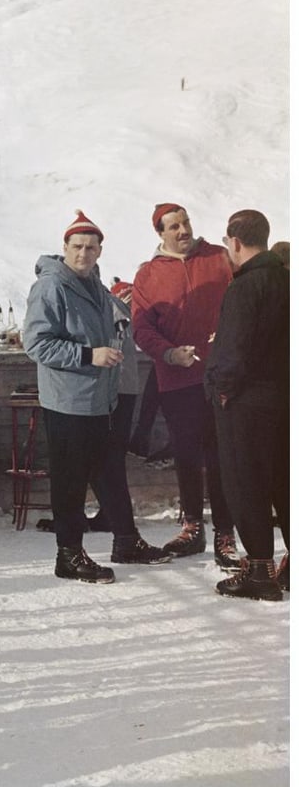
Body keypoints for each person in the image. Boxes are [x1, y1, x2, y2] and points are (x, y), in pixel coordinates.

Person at [23, 211, 143, 584]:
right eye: (77, 246)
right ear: (64, 248)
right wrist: (88, 355)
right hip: (67, 400)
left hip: (96, 399)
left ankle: (120, 541)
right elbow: (36, 343)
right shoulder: (51, 286)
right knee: (69, 478)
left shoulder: (94, 284)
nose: (84, 254)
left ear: (100, 251)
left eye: (91, 247)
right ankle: (68, 554)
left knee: (97, 471)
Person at [132, 203, 238, 566]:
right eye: (174, 226)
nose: (182, 230)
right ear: (160, 234)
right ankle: (193, 526)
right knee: (187, 455)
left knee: (221, 454)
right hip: (176, 379)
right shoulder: (148, 274)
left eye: (185, 222)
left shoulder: (220, 259)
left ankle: (226, 532)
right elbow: (142, 328)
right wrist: (169, 353)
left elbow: (241, 305)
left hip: (221, 376)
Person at [204, 209, 289, 600]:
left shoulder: (244, 287)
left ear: (234, 243)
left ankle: (259, 571)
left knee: (246, 482)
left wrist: (222, 389)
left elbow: (233, 351)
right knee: (286, 482)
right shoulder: (287, 280)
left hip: (247, 402)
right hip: (285, 399)